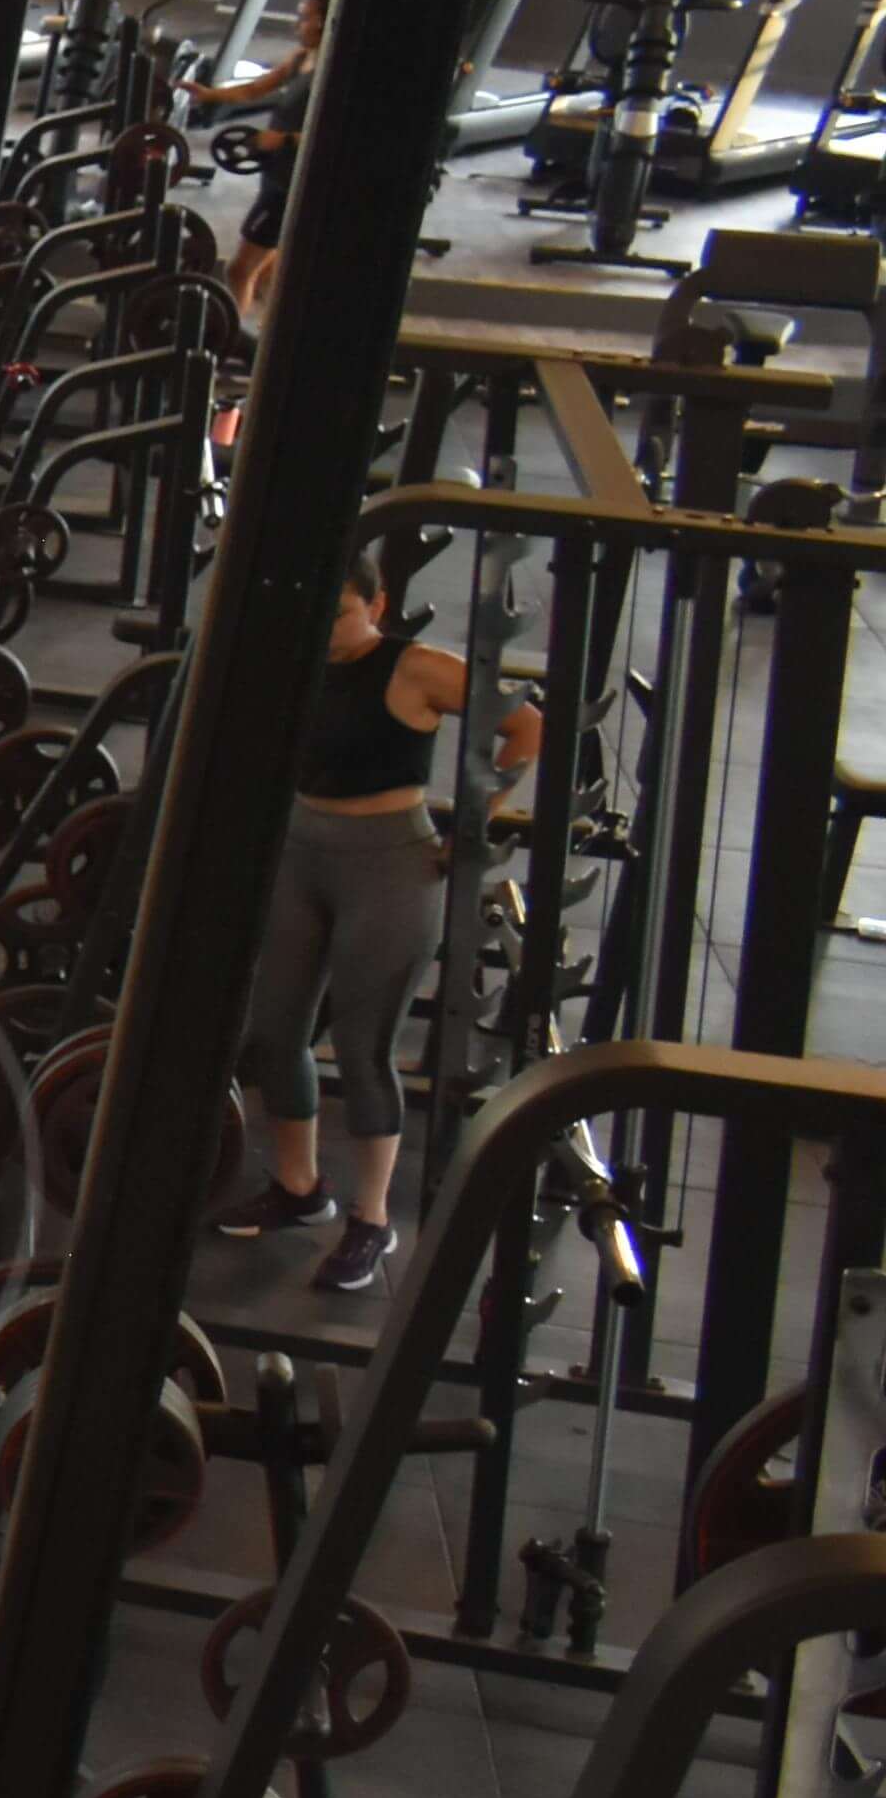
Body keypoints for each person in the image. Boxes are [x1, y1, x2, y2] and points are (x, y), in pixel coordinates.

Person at [215, 551, 540, 1299]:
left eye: (339, 613)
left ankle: (371, 1219)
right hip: (301, 851)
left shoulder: (416, 668)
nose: (326, 629)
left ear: (378, 605)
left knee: (364, 1052)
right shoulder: (297, 665)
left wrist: (476, 821)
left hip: (390, 865)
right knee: (277, 1035)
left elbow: (527, 728)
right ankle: (299, 1188)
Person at [198, 0, 329, 336]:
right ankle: (272, 347)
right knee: (271, 276)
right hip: (275, 174)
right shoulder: (302, 57)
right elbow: (255, 89)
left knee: (240, 271)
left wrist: (284, 139)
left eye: (305, 18)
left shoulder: (333, 72)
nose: (298, 25)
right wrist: (209, 94)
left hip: (293, 184)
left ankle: (227, 344)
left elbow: (333, 135)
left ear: (325, 22)